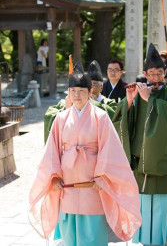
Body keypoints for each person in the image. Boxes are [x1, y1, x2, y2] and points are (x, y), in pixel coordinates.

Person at [29, 64, 141, 245]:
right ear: (68, 92)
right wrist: (54, 176)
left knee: (93, 233)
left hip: (92, 185)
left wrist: (102, 176)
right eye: (73, 91)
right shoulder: (61, 118)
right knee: (69, 234)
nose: (76, 95)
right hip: (67, 185)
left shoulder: (101, 116)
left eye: (81, 90)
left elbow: (110, 150)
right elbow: (52, 151)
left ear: (90, 92)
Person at [113, 43, 167, 246]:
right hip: (141, 159)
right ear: (144, 74)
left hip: (163, 158)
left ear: (165, 72)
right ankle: (140, 238)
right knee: (143, 201)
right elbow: (121, 119)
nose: (156, 78)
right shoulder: (139, 93)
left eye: (159, 73)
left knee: (164, 202)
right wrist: (130, 101)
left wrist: (151, 101)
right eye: (151, 73)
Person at [44, 61, 117, 143]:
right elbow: (49, 117)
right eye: (74, 90)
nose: (91, 86)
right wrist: (65, 108)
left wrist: (95, 104)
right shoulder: (66, 102)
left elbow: (117, 119)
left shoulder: (108, 103)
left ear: (101, 87)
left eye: (94, 84)